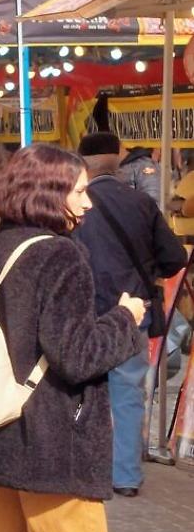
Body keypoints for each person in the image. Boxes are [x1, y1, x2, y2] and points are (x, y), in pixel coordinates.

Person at [0, 144, 146, 532]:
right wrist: (125, 319)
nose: (88, 202)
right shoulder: (60, 254)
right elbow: (77, 356)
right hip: (56, 442)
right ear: (48, 192)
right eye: (78, 192)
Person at [73, 132, 187, 498]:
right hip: (131, 312)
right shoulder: (141, 202)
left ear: (83, 161)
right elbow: (175, 258)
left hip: (83, 313)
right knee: (127, 394)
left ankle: (86, 471)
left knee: (81, 393)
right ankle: (125, 477)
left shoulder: (73, 204)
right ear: (119, 157)